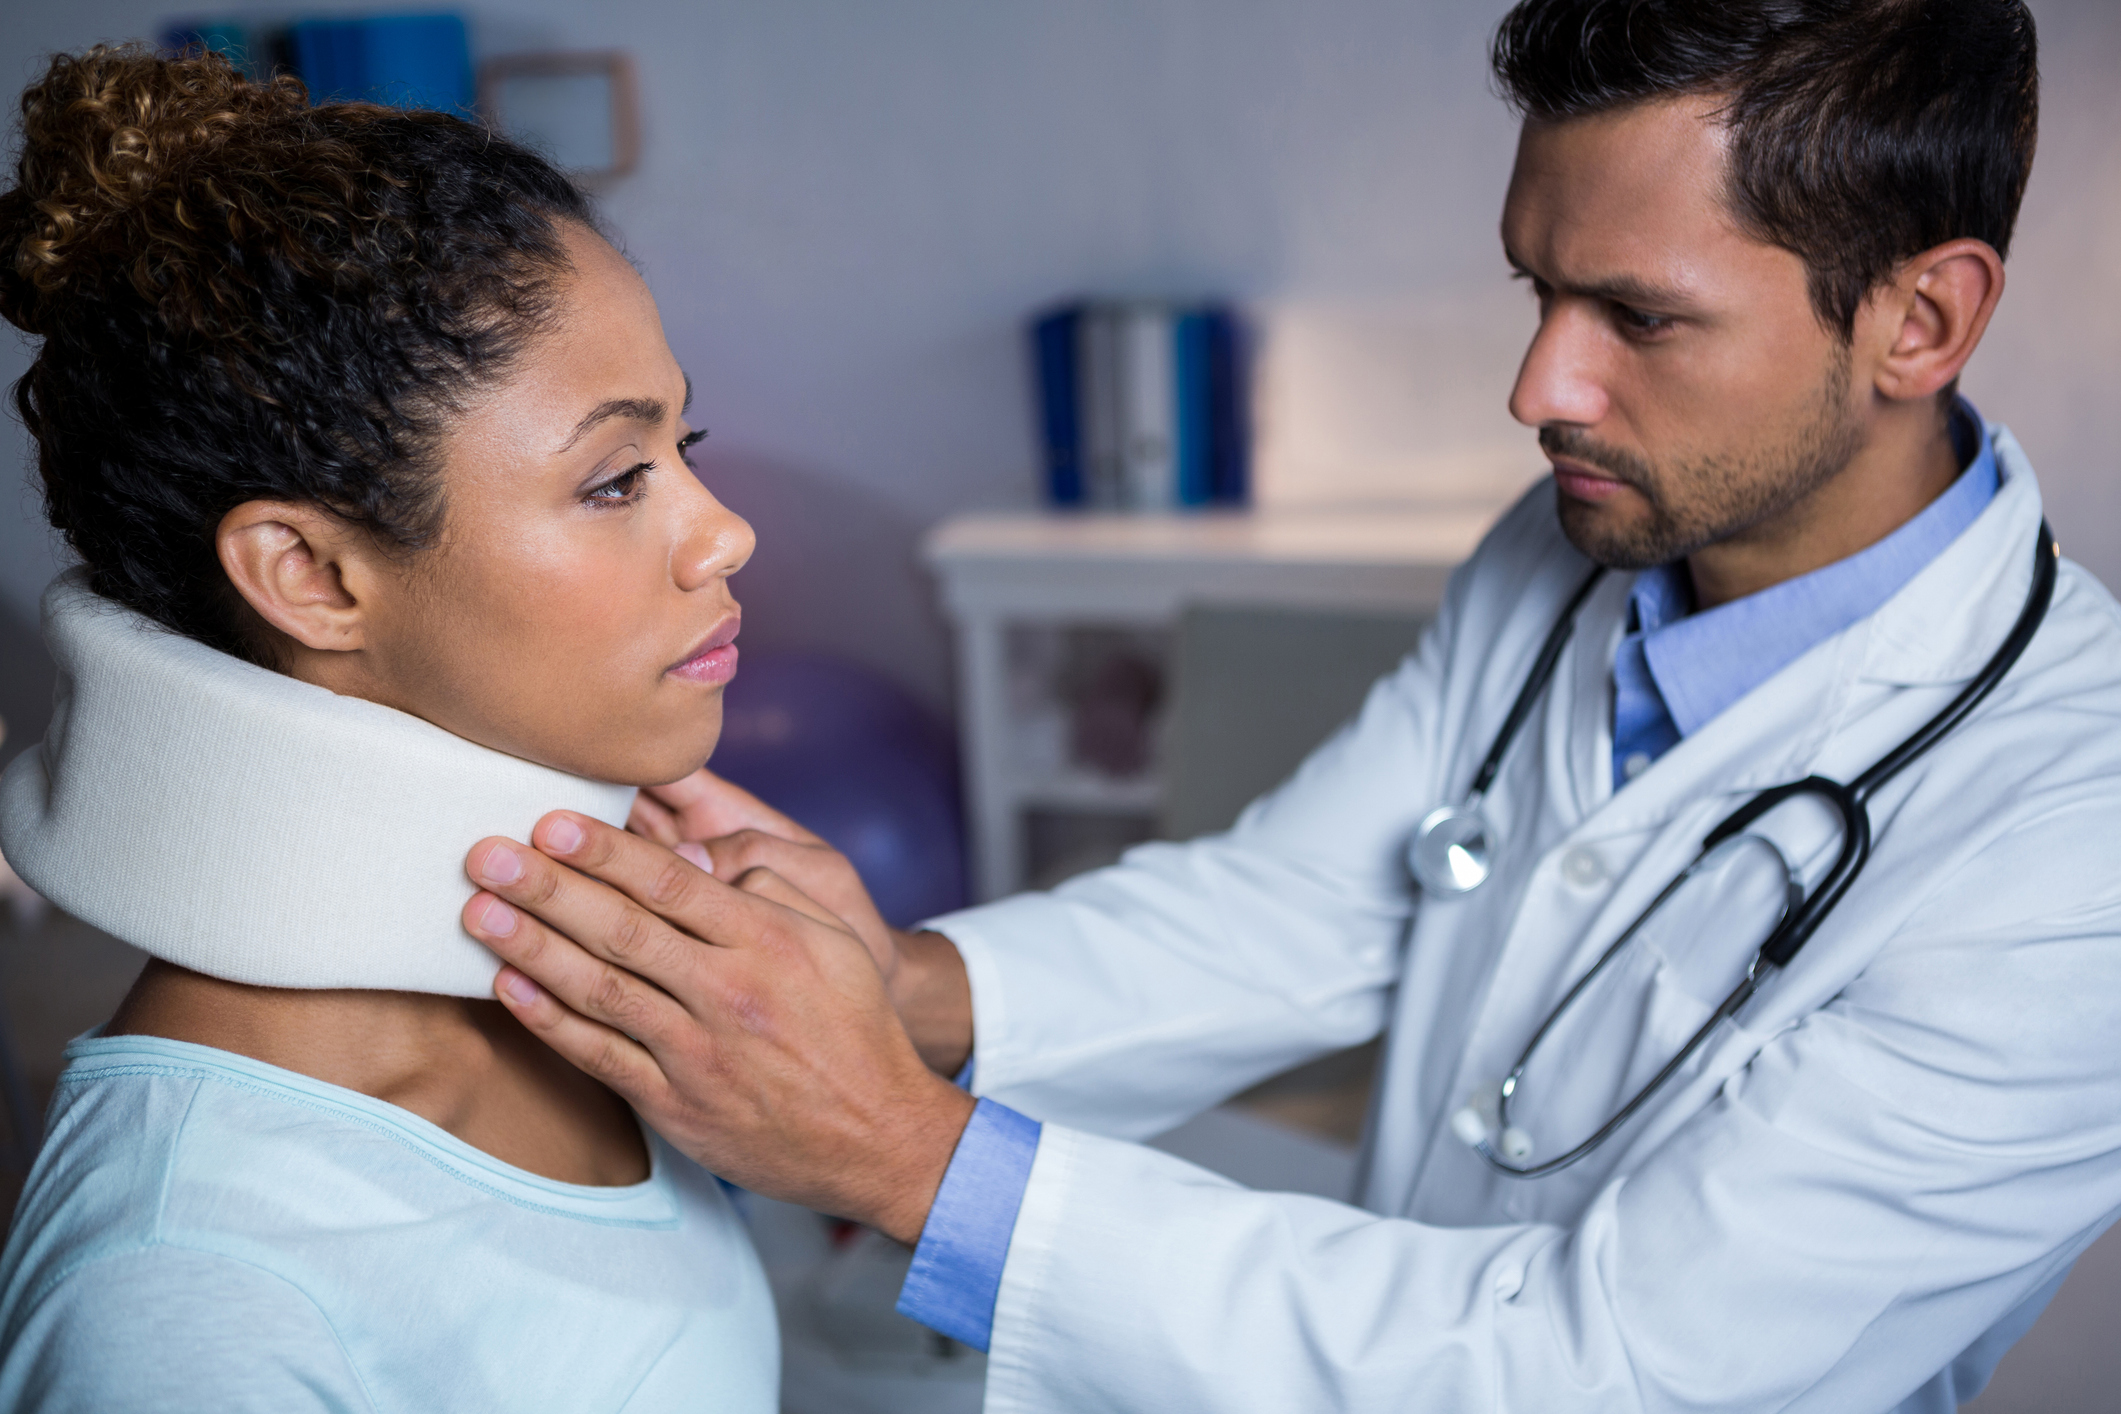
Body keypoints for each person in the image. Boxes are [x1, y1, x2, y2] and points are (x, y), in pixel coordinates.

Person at [462, 0, 2121, 1410]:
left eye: (1636, 316)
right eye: (1534, 288)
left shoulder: (2071, 847)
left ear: (1921, 318)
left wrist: (907, 1152)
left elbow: (1599, 1368)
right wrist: (898, 986)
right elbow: (1310, 901)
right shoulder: (1579, 546)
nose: (1538, 388)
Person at [0, 46, 780, 1411]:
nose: (724, 531)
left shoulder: (601, 1005)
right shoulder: (190, 1282)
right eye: (613, 480)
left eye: (685, 446)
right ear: (312, 576)